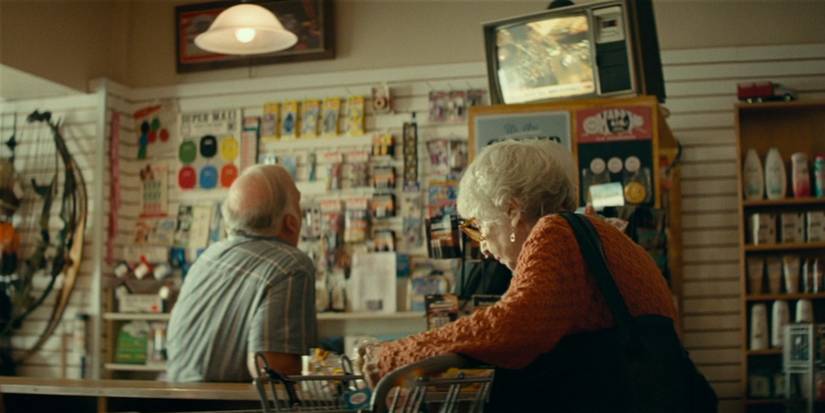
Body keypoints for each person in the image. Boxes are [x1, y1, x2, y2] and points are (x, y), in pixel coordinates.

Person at [360, 139, 678, 408]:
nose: (483, 249)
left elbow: (513, 324)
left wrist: (397, 354)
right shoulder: (596, 234)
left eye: (480, 228)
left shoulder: (554, 232)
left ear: (512, 211)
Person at [167, 165, 317, 382]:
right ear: (291, 223)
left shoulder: (207, 258)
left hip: (173, 396)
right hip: (226, 401)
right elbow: (272, 372)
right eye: (297, 202)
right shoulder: (292, 265)